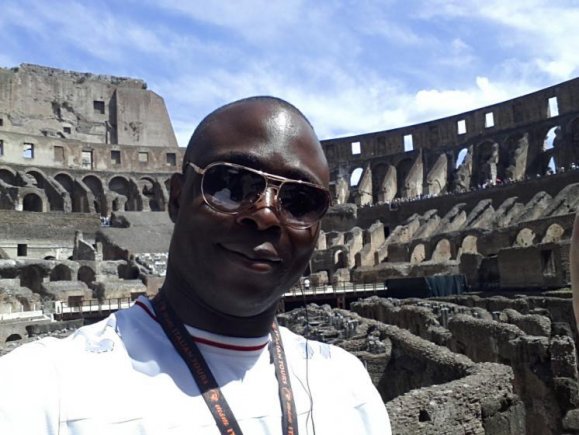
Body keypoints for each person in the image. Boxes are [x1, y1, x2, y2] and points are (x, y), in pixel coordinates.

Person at [0, 96, 391, 434]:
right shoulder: (40, 390)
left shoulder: (349, 386)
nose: (266, 215)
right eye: (231, 184)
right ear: (176, 198)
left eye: (300, 200)